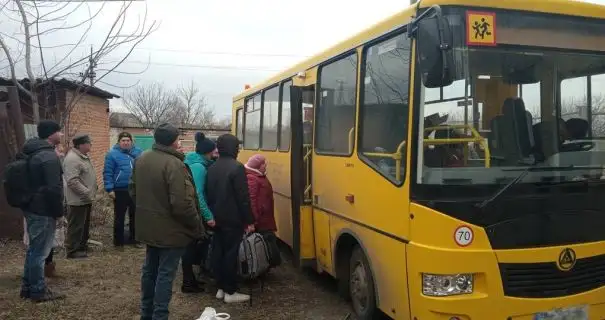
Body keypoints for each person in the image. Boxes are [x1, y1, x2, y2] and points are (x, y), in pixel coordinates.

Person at [130, 123, 204, 320]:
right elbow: (182, 204)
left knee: (150, 271)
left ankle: (146, 314)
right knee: (165, 274)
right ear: (174, 141)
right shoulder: (174, 164)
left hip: (149, 228)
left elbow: (133, 191)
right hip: (171, 231)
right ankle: (159, 316)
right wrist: (196, 225)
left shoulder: (142, 158)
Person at [206, 134, 255, 304]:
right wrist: (249, 220)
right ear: (232, 148)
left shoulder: (212, 167)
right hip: (232, 219)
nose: (239, 149)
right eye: (237, 146)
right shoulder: (237, 167)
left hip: (216, 218)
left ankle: (220, 288)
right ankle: (230, 291)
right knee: (231, 254)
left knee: (218, 252)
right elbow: (243, 197)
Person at [20, 119, 66, 302]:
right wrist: (59, 213)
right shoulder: (48, 156)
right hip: (43, 210)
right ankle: (38, 291)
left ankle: (27, 287)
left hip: (31, 207)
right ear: (51, 134)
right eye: (59, 132)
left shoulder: (31, 151)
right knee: (40, 253)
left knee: (33, 250)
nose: (61, 135)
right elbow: (54, 189)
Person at [181, 132, 217, 293]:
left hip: (192, 212)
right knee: (190, 248)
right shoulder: (199, 168)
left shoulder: (194, 162)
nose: (214, 154)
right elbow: (198, 194)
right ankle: (188, 283)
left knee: (191, 247)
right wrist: (208, 216)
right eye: (213, 152)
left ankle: (191, 280)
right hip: (193, 214)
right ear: (207, 152)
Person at [103, 132, 143, 249]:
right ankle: (118, 242)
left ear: (131, 142)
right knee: (119, 217)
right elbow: (108, 172)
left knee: (135, 216)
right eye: (123, 140)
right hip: (120, 189)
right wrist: (109, 189)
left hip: (135, 189)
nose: (126, 143)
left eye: (128, 140)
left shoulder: (139, 153)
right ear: (119, 142)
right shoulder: (112, 154)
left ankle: (135, 239)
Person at [64, 134, 97, 259]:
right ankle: (73, 250)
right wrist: (87, 192)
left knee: (83, 224)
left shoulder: (82, 157)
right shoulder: (73, 159)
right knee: (76, 225)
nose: (91, 145)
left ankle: (81, 246)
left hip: (85, 198)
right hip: (77, 199)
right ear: (81, 145)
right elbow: (72, 181)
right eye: (88, 142)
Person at [244, 154, 281, 267]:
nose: (265, 165)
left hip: (264, 218)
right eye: (263, 164)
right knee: (264, 244)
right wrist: (253, 221)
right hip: (260, 220)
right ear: (258, 166)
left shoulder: (258, 176)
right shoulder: (252, 178)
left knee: (266, 243)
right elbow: (252, 201)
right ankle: (261, 266)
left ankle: (264, 265)